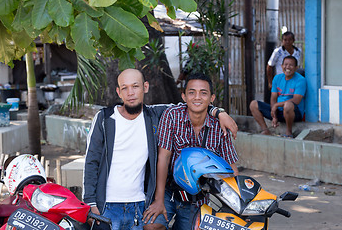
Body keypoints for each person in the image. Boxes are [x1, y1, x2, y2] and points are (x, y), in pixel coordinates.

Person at [83, 69, 238, 230]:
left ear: (145, 87)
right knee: (152, 225)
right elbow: (91, 161)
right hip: (112, 204)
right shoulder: (105, 119)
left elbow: (194, 104)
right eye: (125, 88)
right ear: (118, 91)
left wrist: (219, 112)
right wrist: (90, 203)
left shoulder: (154, 116)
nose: (130, 93)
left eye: (135, 86)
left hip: (146, 203)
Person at [143, 73, 239, 230]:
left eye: (203, 93)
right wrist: (159, 199)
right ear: (184, 96)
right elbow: (163, 158)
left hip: (198, 198)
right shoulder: (172, 116)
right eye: (191, 92)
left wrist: (236, 204)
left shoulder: (219, 126)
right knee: (151, 226)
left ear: (212, 98)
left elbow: (232, 168)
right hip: (169, 190)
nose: (197, 98)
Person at [250, 56, 307, 138]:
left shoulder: (300, 80)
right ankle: (265, 130)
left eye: (291, 65)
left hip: (293, 112)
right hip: (279, 111)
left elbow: (296, 100)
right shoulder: (277, 78)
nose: (287, 67)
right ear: (281, 66)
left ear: (296, 68)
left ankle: (289, 132)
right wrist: (274, 115)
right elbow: (273, 97)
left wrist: (276, 105)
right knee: (253, 104)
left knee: (288, 105)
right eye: (285, 64)